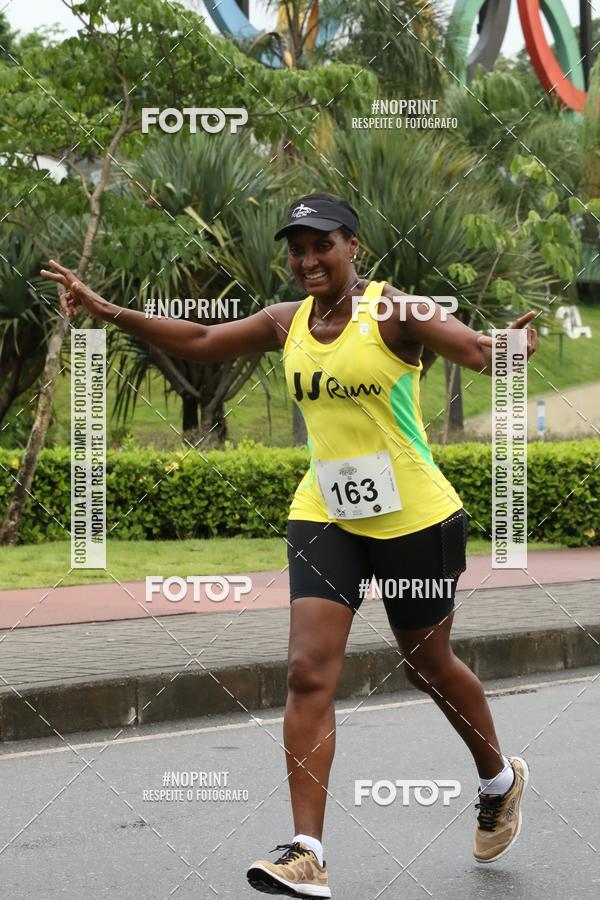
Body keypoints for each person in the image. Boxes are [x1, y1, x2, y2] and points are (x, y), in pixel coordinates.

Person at [42, 191, 538, 899]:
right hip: (325, 513)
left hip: (416, 520)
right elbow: (202, 340)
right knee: (308, 670)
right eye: (296, 248)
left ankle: (499, 779)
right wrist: (106, 310)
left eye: (321, 245)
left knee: (426, 666)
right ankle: (308, 852)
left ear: (352, 247)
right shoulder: (287, 322)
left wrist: (509, 352)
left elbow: (478, 351)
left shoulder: (398, 311)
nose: (307, 260)